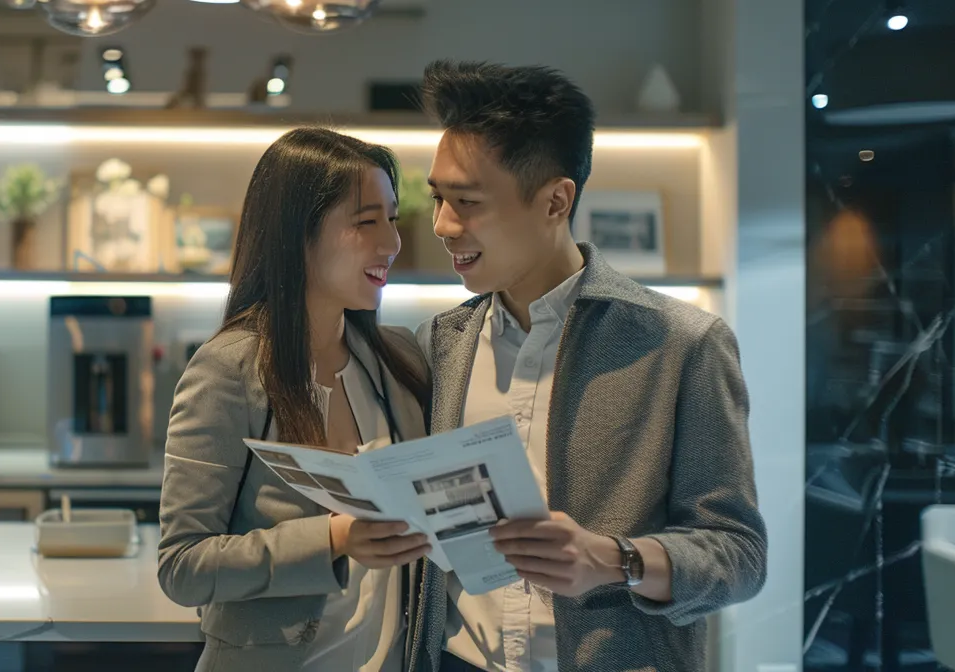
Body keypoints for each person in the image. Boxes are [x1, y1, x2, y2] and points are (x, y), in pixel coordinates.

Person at [404, 61, 768, 671]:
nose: (442, 225)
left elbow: (740, 558)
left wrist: (614, 559)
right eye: (439, 198)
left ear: (555, 200)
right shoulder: (441, 341)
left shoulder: (683, 343)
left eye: (467, 202)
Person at [157, 127, 437, 670]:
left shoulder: (398, 359)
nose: (392, 243)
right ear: (297, 236)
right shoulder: (229, 368)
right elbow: (182, 566)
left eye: (393, 218)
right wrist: (334, 536)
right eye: (366, 222)